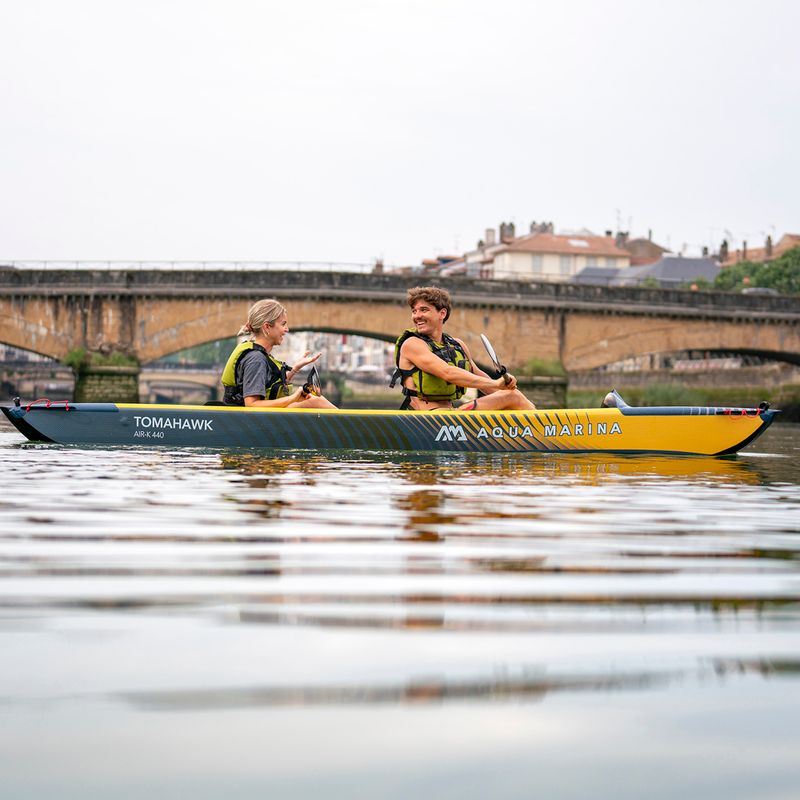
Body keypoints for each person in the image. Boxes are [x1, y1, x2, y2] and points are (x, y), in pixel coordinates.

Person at [391, 286, 536, 411]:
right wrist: (496, 383)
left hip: (452, 414)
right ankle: (546, 428)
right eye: (414, 311)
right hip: (427, 419)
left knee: (513, 395)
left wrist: (506, 387)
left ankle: (543, 423)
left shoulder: (457, 345)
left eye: (423, 310)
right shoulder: (412, 344)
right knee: (512, 397)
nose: (417, 316)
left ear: (442, 313)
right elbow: (447, 372)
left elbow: (481, 379)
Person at [221, 299, 336, 408]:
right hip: (250, 421)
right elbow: (252, 405)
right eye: (283, 324)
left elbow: (271, 384)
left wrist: (295, 368)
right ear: (267, 327)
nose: (287, 329)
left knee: (313, 400)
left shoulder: (259, 354)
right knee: (315, 402)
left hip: (255, 419)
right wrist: (292, 399)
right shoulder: (256, 359)